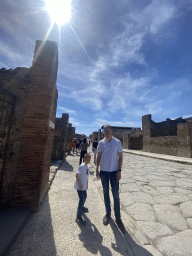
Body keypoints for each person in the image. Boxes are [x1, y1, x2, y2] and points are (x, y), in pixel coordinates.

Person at [96, 125, 126, 233]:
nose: (107, 132)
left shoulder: (117, 142)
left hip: (114, 173)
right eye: (105, 131)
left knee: (116, 195)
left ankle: (118, 218)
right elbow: (98, 155)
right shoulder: (101, 143)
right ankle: (108, 214)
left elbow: (121, 156)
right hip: (103, 172)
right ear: (104, 132)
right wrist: (96, 168)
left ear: (111, 131)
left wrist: (119, 170)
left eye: (108, 131)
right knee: (105, 193)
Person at [74, 153, 91, 226]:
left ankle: (82, 208)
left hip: (84, 187)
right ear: (84, 159)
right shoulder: (82, 166)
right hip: (80, 187)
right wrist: (80, 184)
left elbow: (87, 176)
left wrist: (87, 184)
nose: (88, 160)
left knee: (85, 196)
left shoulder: (88, 166)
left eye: (89, 158)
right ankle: (78, 217)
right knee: (81, 200)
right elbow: (77, 175)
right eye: (87, 158)